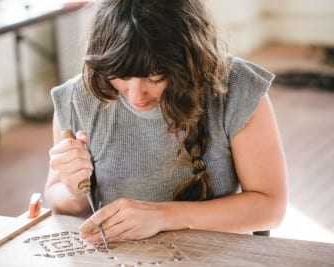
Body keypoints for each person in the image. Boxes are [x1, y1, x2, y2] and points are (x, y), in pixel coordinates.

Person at [45, 0, 287, 244]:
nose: (136, 95)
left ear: (189, 60)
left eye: (155, 77)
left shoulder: (236, 87)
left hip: (216, 252)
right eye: (121, 75)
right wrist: (74, 189)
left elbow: (270, 207)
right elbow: (57, 199)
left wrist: (162, 217)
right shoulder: (77, 98)